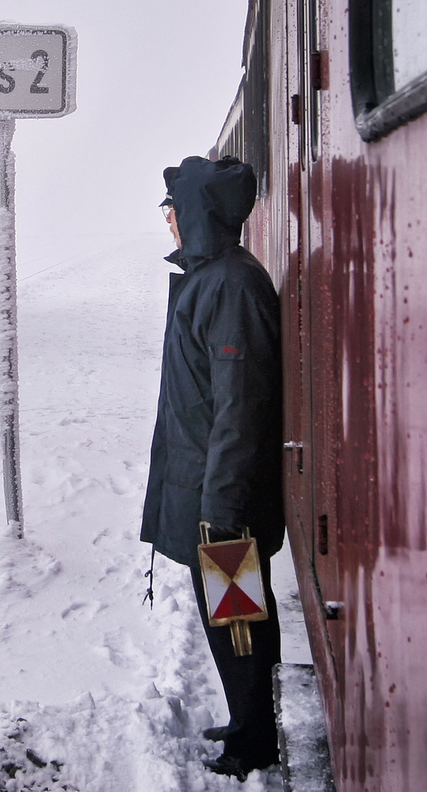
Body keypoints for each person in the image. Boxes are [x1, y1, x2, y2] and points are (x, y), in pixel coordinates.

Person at [141, 155, 284, 781]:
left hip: (224, 500)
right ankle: (246, 720)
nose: (169, 218)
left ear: (198, 214)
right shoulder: (213, 278)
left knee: (240, 621)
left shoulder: (229, 286)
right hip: (210, 490)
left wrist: (221, 509)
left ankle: (254, 741)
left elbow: (240, 405)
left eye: (175, 206)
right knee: (231, 619)